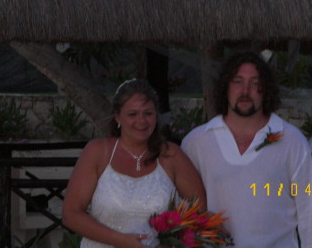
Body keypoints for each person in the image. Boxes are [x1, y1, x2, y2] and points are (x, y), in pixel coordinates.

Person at [181, 51, 312, 248]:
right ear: (225, 88)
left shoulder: (291, 141)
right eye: (237, 81)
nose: (246, 90)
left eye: (254, 83)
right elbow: (181, 213)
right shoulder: (196, 142)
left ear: (265, 90)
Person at [62, 79, 206, 248]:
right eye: (133, 114)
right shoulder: (97, 152)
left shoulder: (171, 155)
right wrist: (121, 241)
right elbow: (71, 214)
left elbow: (200, 213)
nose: (141, 121)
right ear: (118, 117)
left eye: (148, 113)